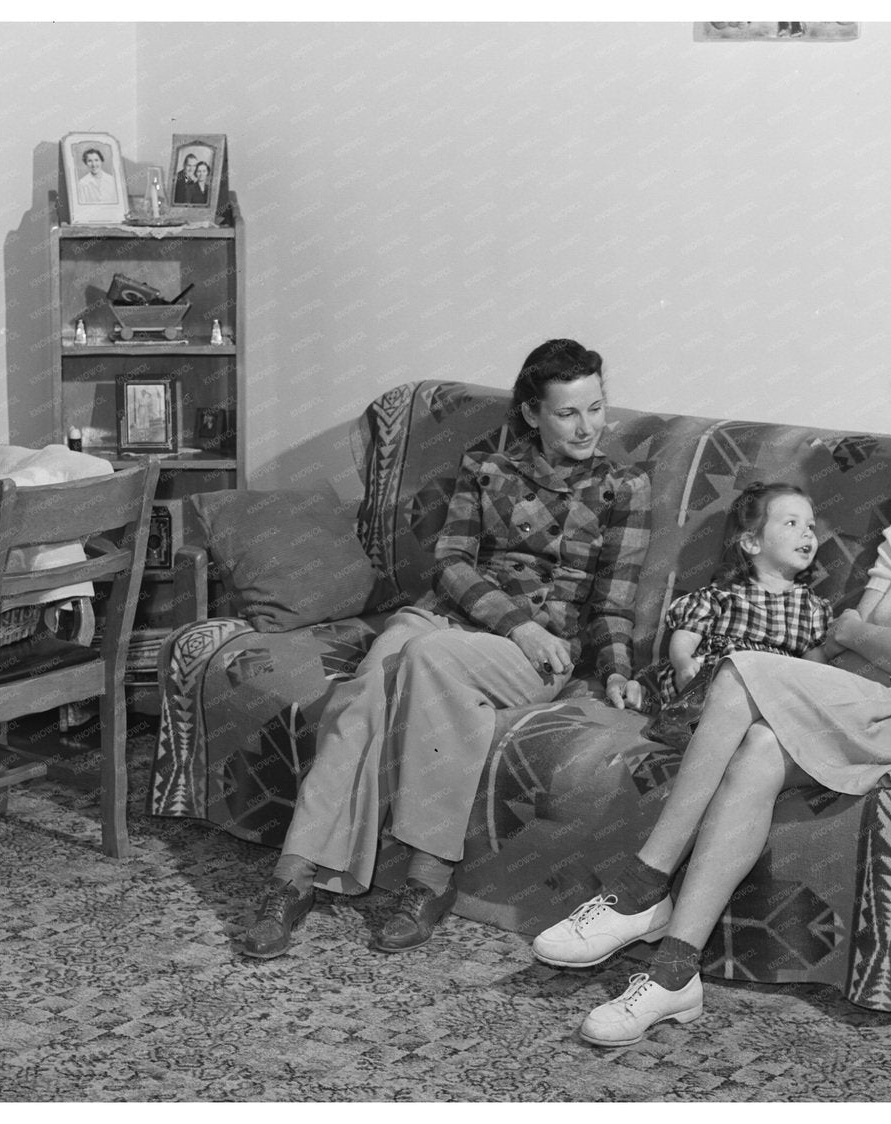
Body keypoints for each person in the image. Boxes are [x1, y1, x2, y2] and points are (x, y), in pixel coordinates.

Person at [532, 358, 891, 1048]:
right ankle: (674, 974)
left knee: (741, 671)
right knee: (759, 746)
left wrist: (875, 638)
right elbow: (860, 648)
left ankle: (641, 885)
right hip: (888, 703)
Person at [239, 339, 652, 959]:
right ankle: (292, 878)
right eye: (568, 413)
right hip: (453, 617)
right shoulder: (487, 466)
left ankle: (428, 878)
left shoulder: (624, 486)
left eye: (596, 408)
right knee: (364, 694)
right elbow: (451, 563)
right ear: (532, 412)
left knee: (428, 659)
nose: (587, 427)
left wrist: (616, 670)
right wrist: (515, 621)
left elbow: (616, 603)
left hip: (539, 649)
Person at [625, 482, 833, 744]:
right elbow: (687, 635)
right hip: (717, 681)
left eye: (811, 526)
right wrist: (683, 662)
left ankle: (726, 736)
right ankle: (666, 711)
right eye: (792, 523)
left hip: (770, 691)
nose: (807, 533)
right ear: (751, 542)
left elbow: (815, 667)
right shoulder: (721, 595)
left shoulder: (811, 608)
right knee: (707, 682)